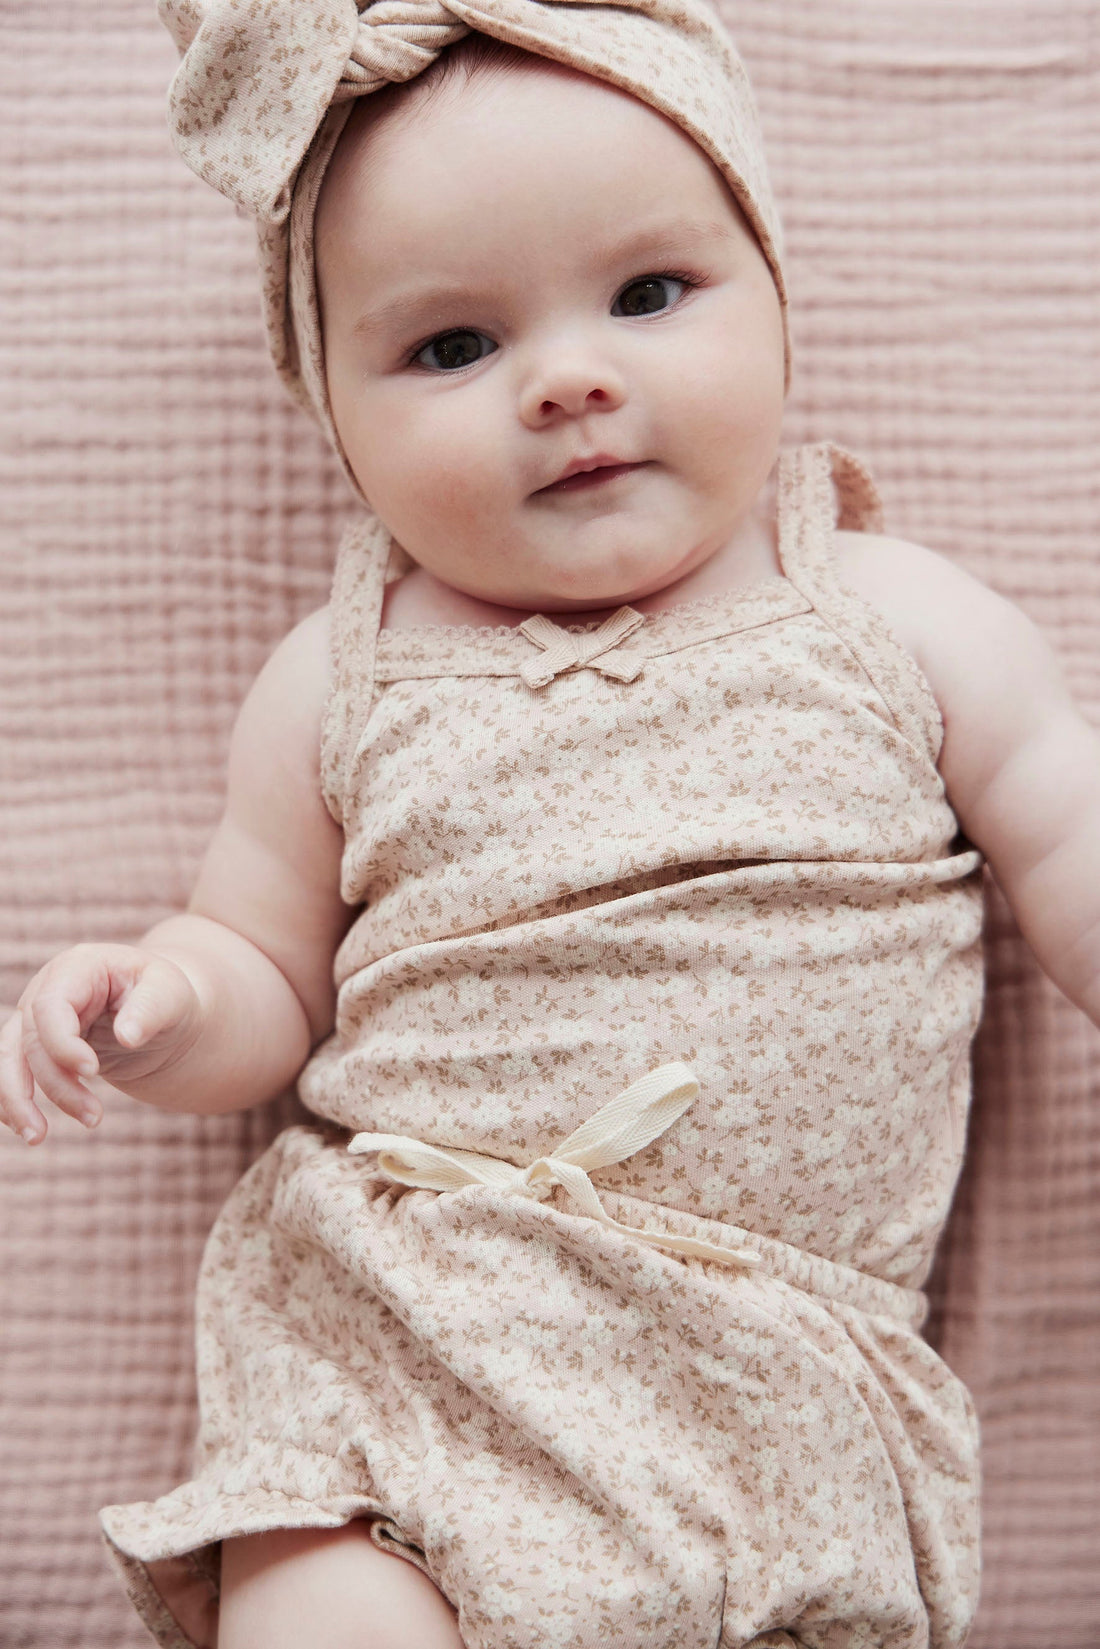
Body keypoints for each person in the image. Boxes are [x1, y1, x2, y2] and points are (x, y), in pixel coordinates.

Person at [2, 3, 1098, 1646]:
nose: (570, 379)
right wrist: (165, 1005)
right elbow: (260, 963)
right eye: (453, 346)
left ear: (774, 294)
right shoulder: (343, 678)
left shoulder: (888, 612)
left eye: (650, 295)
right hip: (411, 1327)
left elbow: (1072, 837)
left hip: (778, 1379)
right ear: (331, 406)